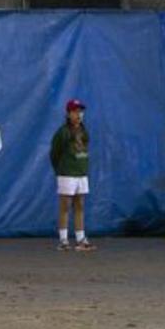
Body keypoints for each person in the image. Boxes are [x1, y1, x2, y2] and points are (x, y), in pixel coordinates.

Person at [51, 99, 95, 252]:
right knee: (65, 206)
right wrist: (60, 169)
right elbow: (54, 153)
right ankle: (63, 241)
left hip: (81, 173)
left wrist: (82, 167)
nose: (79, 114)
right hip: (67, 173)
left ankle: (81, 240)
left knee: (80, 205)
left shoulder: (84, 131)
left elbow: (85, 148)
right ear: (68, 113)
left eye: (80, 111)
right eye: (75, 111)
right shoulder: (63, 132)